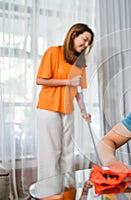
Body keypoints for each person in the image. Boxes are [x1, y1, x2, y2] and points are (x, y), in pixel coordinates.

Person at [36, 23, 94, 180]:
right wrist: (68, 82)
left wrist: (84, 111)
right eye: (85, 39)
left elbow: (78, 92)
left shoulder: (80, 62)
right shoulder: (54, 52)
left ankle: (67, 190)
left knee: (68, 152)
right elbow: (40, 79)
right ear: (74, 35)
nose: (86, 45)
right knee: (51, 152)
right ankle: (49, 192)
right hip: (49, 108)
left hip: (68, 109)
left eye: (89, 42)